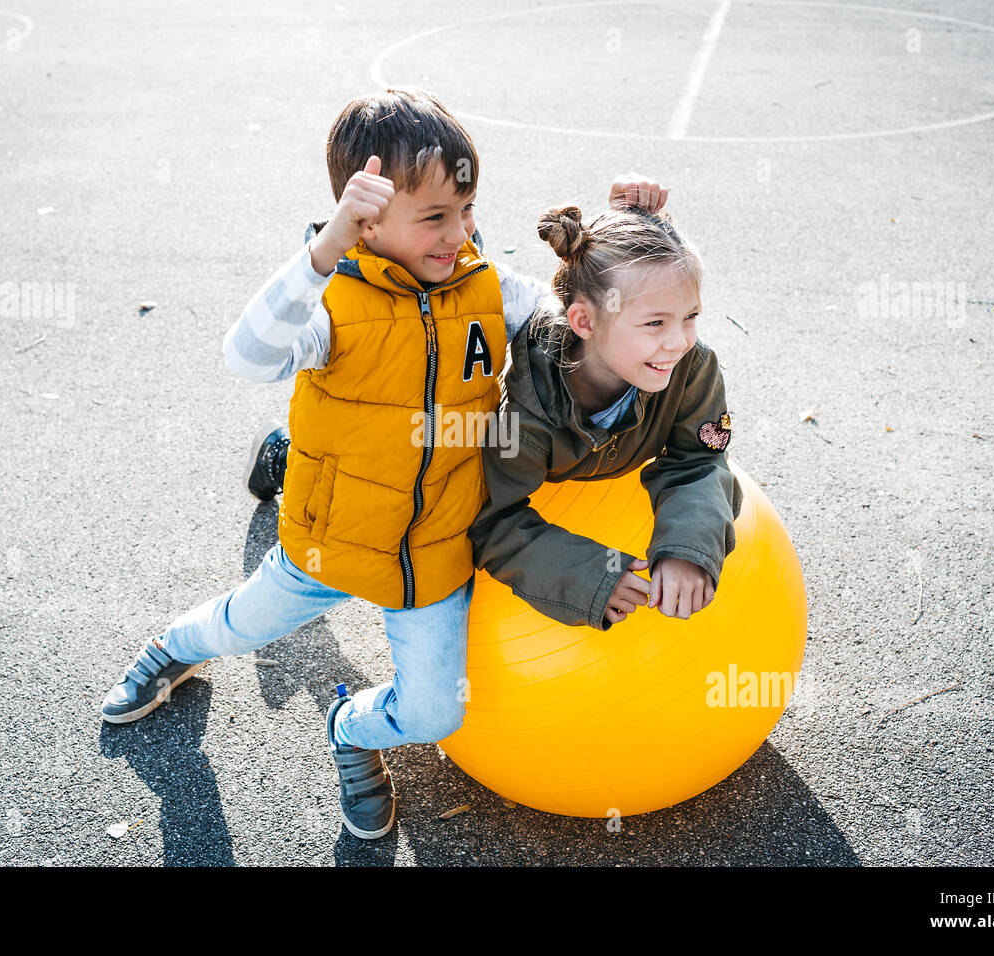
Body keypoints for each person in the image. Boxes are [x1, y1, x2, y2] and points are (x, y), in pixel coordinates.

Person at [99, 86, 663, 840]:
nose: (459, 233)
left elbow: (592, 327)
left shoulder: (490, 289)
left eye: (466, 209)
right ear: (363, 217)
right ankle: (172, 649)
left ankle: (352, 730)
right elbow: (247, 355)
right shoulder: (332, 300)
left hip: (435, 548)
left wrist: (638, 230)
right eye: (434, 216)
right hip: (333, 539)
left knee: (434, 711)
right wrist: (326, 246)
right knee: (238, 629)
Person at [468, 201, 743, 631]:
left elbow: (700, 459)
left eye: (689, 317)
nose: (678, 342)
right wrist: (587, 577)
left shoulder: (691, 368)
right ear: (584, 322)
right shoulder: (525, 411)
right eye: (655, 323)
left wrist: (689, 546)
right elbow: (490, 518)